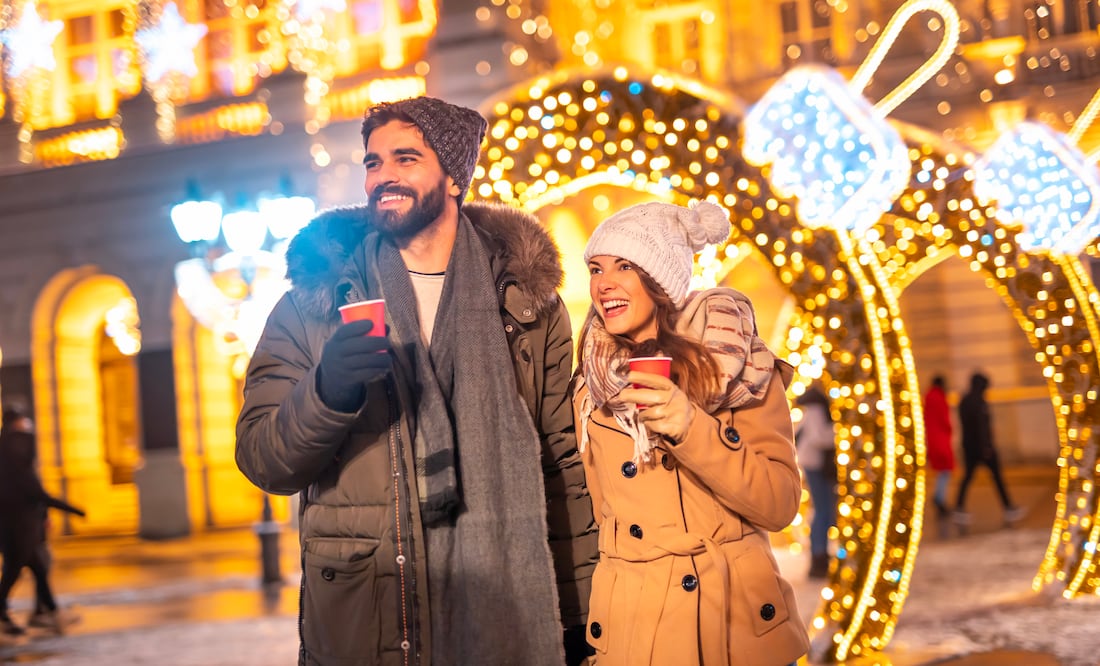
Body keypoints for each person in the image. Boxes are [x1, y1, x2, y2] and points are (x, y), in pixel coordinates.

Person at [235, 96, 598, 666]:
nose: (384, 177)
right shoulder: (317, 304)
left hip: (508, 607)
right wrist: (328, 393)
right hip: (373, 611)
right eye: (373, 162)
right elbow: (263, 459)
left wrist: (579, 617)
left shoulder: (529, 308)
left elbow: (564, 463)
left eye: (406, 158)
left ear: (454, 176)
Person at [572, 200, 810, 664]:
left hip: (730, 630)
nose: (604, 284)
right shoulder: (590, 386)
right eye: (596, 268)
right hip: (634, 632)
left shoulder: (743, 369)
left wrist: (690, 428)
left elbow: (779, 505)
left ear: (659, 278)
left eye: (625, 265)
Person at [0, 405, 85, 637]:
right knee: (15, 572)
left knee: (37, 567)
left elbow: (36, 493)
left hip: (22, 527)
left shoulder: (12, 459)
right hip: (18, 529)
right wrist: (75, 510)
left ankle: (48, 613)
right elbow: (37, 494)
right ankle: (42, 614)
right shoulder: (14, 461)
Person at [953, 372, 1024, 526]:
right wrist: (986, 446)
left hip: (969, 447)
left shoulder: (964, 400)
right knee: (997, 478)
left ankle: (959, 507)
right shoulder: (979, 402)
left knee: (968, 477)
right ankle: (1008, 507)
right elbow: (981, 427)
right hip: (983, 448)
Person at [794, 383, 835, 579]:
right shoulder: (817, 409)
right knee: (822, 510)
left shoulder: (810, 409)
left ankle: (819, 554)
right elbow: (819, 437)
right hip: (814, 463)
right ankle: (819, 555)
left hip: (810, 462)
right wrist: (838, 432)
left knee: (821, 510)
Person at [923, 375, 955, 518]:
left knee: (942, 471)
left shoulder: (928, 398)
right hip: (941, 440)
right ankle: (939, 498)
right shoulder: (940, 398)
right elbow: (944, 420)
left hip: (932, 440)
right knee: (945, 470)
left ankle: (939, 497)